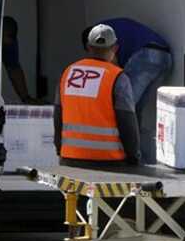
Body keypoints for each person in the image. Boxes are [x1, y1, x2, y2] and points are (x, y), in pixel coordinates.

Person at [55, 24, 141, 166]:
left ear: (88, 47)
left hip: (70, 158)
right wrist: (133, 155)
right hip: (109, 161)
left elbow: (58, 115)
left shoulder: (68, 73)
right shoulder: (117, 77)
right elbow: (127, 120)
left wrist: (60, 148)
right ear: (115, 48)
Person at [81, 18, 172, 107]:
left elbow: (113, 65)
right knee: (135, 107)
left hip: (146, 55)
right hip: (164, 56)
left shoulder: (102, 35)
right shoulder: (110, 27)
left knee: (123, 105)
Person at [2, 16, 37, 104]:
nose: (10, 41)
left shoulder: (10, 43)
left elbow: (14, 70)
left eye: (13, 37)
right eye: (8, 36)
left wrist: (25, 98)